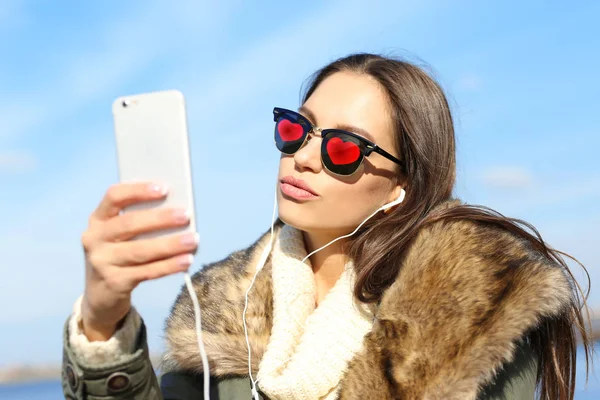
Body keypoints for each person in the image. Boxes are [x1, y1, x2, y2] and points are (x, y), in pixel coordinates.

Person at [61, 53, 593, 400]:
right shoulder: (223, 315)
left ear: (402, 185)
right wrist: (102, 322)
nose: (305, 157)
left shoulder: (471, 314)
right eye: (298, 129)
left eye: (343, 148)